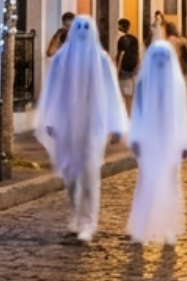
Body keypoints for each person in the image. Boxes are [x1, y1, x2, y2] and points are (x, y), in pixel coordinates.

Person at [36, 16, 127, 243]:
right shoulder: (60, 60)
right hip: (67, 125)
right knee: (71, 174)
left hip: (93, 126)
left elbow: (112, 93)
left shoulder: (103, 60)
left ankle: (87, 222)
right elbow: (52, 91)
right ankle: (76, 215)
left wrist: (116, 125)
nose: (84, 31)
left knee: (89, 173)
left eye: (88, 27)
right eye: (80, 27)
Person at [127, 40, 187, 245]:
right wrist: (135, 139)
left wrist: (185, 143)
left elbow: (183, 115)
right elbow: (136, 114)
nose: (160, 61)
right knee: (146, 183)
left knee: (171, 184)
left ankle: (169, 229)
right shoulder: (142, 84)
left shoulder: (177, 84)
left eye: (164, 57)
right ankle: (140, 229)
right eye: (156, 57)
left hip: (171, 142)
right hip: (148, 142)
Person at [115, 18, 141, 101]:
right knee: (130, 93)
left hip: (124, 68)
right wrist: (138, 66)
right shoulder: (134, 39)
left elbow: (120, 56)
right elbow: (137, 54)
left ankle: (124, 112)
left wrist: (117, 70)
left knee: (122, 93)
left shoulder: (121, 40)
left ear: (120, 27)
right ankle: (130, 111)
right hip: (133, 67)